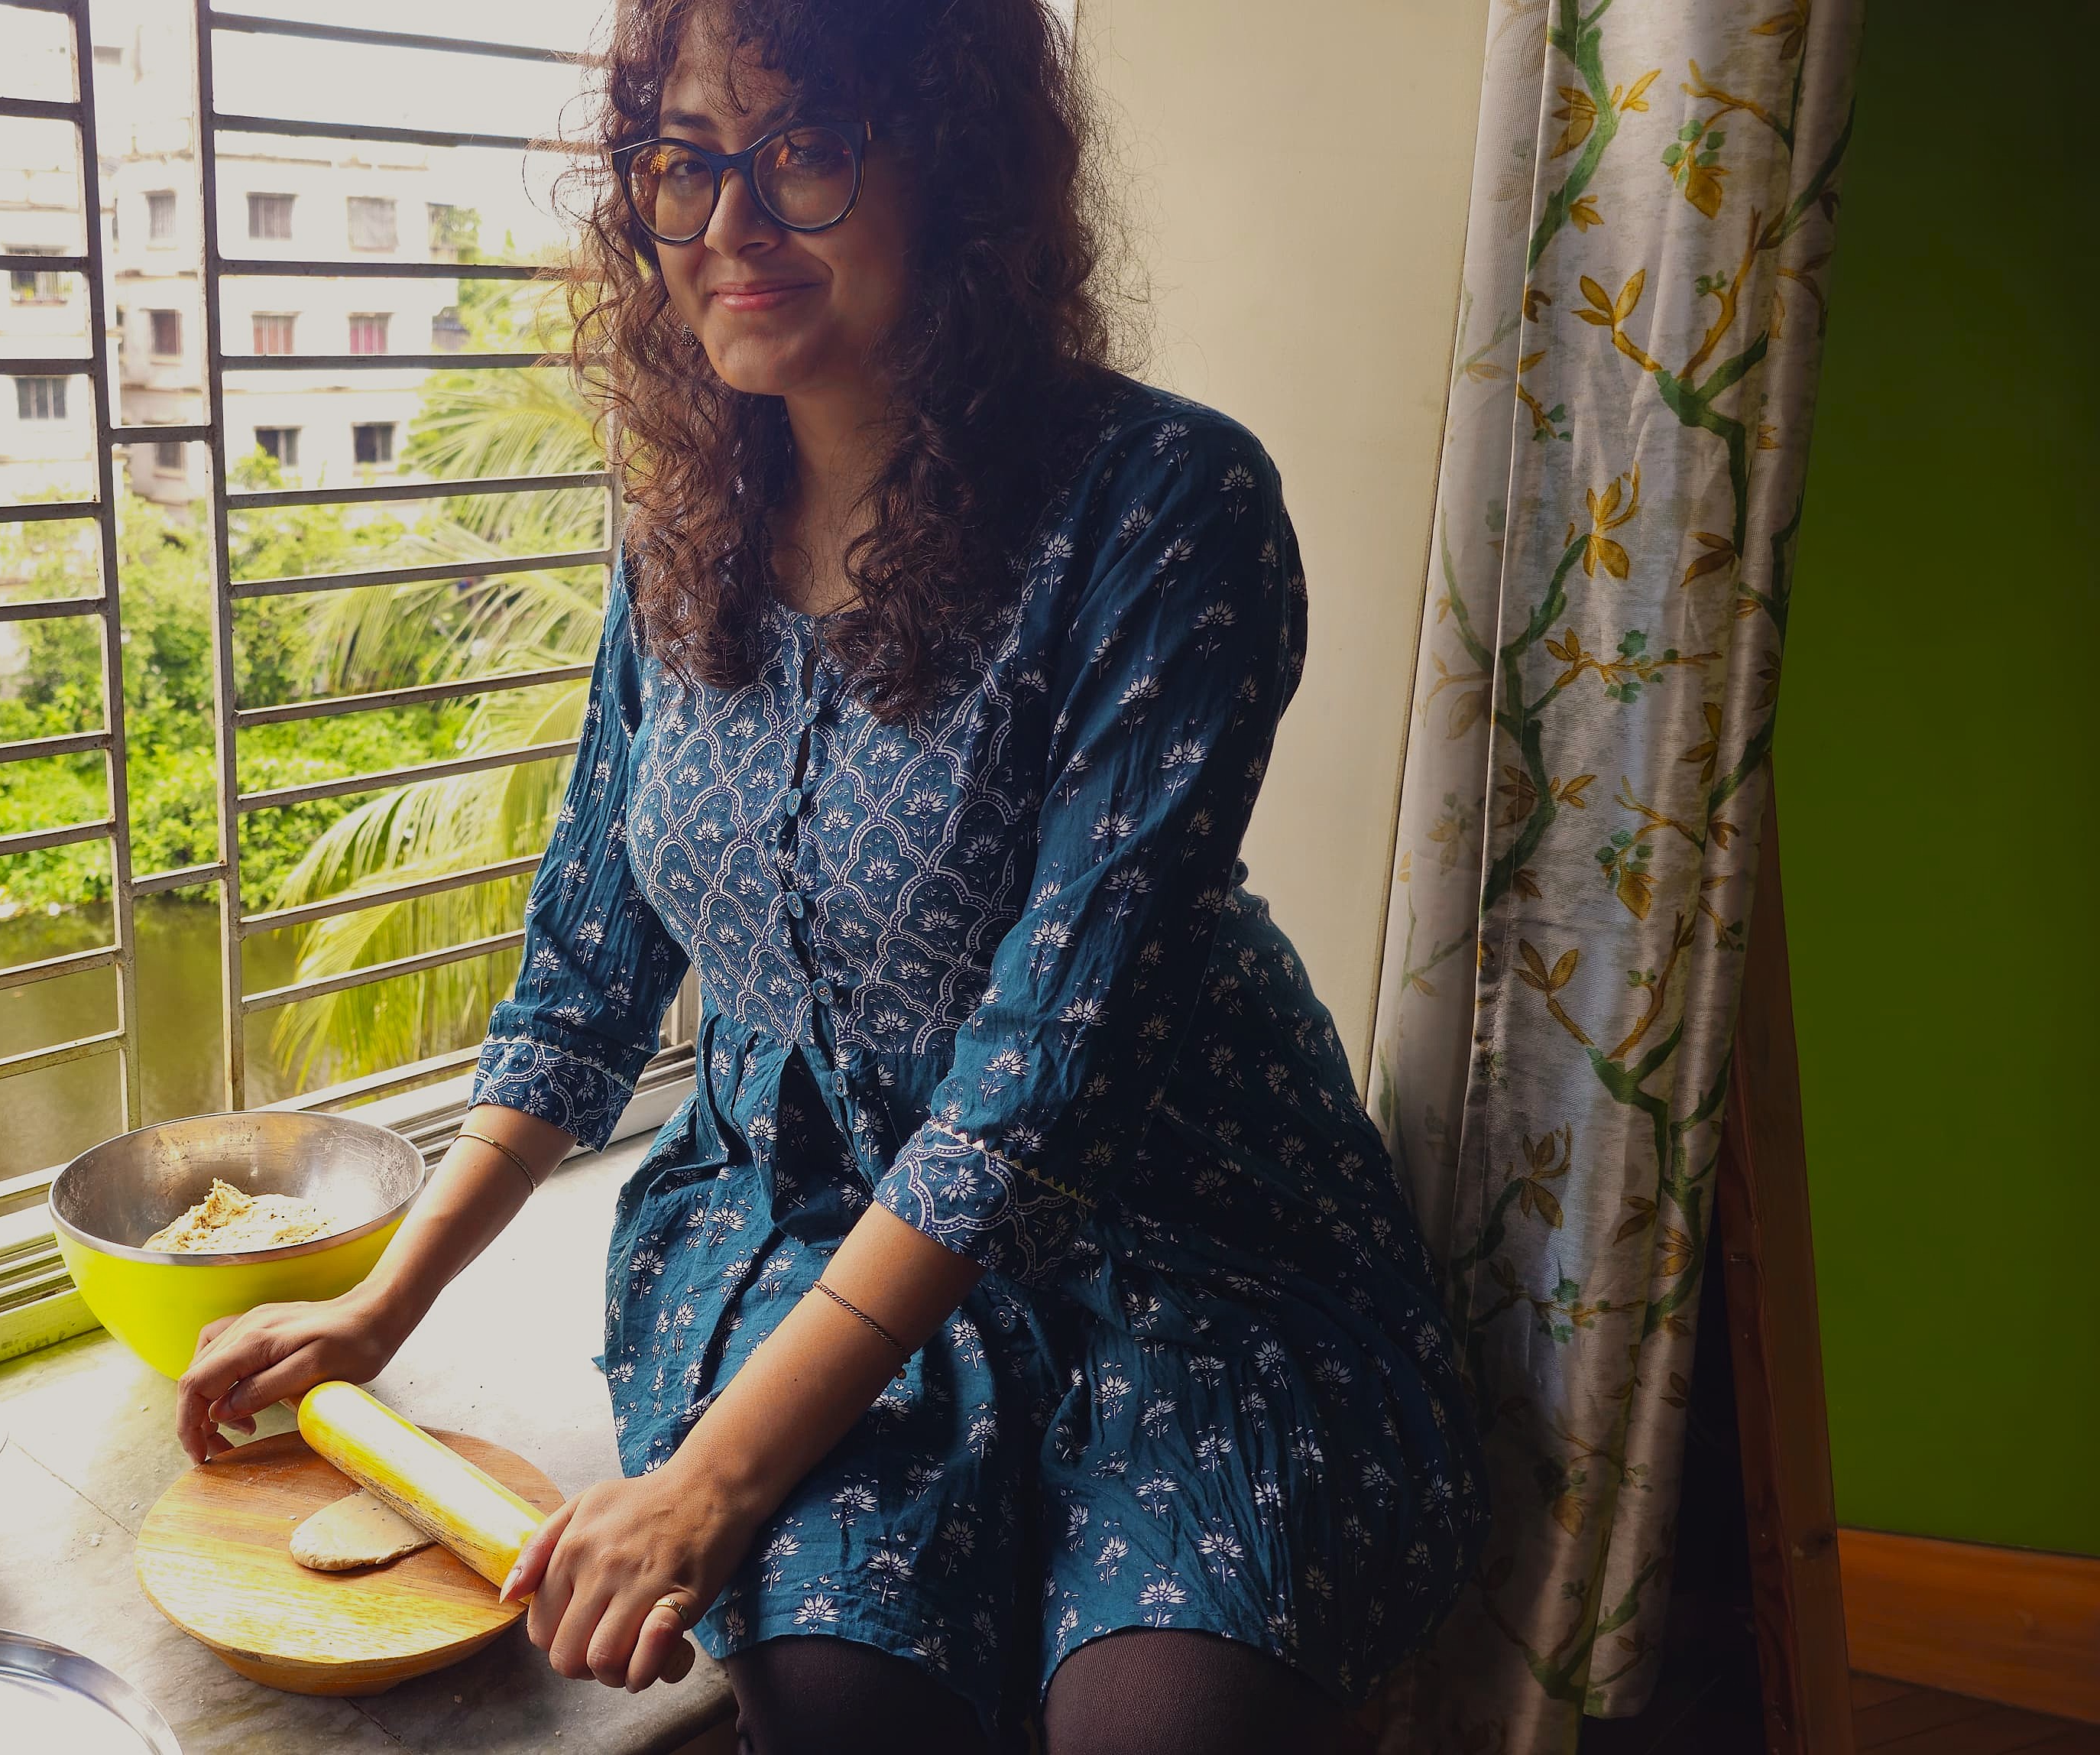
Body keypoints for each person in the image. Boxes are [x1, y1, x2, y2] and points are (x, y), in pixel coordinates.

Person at [173, 0, 1487, 1748]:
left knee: (1170, 1720)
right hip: (793, 1235)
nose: (726, 226)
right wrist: (377, 1300)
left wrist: (711, 1481)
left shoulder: (1168, 506)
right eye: (682, 163)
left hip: (1173, 1246)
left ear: (958, 168)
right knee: (842, 1697)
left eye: (799, 151)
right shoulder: (677, 532)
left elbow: (1033, 1086)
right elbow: (585, 972)